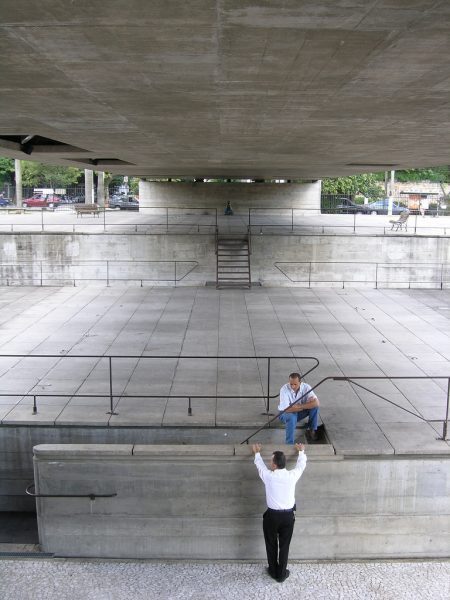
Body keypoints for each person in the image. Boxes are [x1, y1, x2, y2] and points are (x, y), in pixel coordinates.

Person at [252, 442, 307, 583]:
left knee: (271, 544)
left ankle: (273, 569)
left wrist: (257, 453)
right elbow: (301, 466)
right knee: (284, 545)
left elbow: (260, 467)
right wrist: (301, 452)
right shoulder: (292, 475)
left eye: (271, 460)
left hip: (272, 516)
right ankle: (281, 574)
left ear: (275, 465)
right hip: (288, 516)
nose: (270, 462)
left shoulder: (269, 476)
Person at [278, 372, 320, 444]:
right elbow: (287, 409)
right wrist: (306, 405)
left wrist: (298, 406)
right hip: (285, 414)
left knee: (315, 407)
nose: (293, 386)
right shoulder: (284, 389)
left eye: (295, 384)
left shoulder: (306, 387)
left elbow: (316, 403)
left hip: (298, 412)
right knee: (291, 417)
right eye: (291, 384)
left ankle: (312, 430)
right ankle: (289, 444)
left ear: (300, 382)